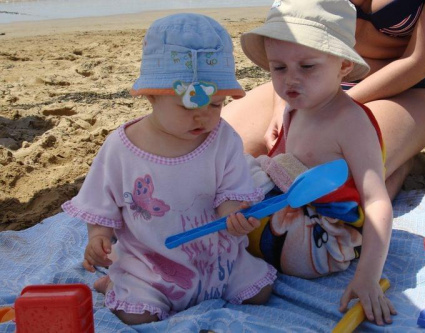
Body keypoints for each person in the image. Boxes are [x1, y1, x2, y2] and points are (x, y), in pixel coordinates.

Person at [62, 13, 276, 325]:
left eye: (215, 105)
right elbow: (100, 204)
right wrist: (98, 237)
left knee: (261, 291)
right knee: (138, 315)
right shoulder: (121, 148)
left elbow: (231, 195)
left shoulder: (223, 138)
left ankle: (130, 284)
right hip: (150, 263)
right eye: (189, 106)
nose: (202, 117)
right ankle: (118, 282)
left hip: (216, 259)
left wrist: (235, 216)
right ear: (151, 94)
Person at [232, 0, 397, 326]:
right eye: (279, 68)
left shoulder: (350, 122)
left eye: (306, 67)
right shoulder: (295, 107)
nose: (290, 80)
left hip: (323, 232)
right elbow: (287, 168)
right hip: (292, 205)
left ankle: (242, 245)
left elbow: (377, 201)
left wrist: (367, 276)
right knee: (229, 175)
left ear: (343, 67)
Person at [223, 0, 425, 200]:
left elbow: (416, 61)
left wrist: (333, 104)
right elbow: (285, 30)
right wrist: (284, 105)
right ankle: (396, 156)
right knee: (218, 151)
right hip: (309, 78)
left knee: (327, 185)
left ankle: (403, 162)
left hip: (398, 92)